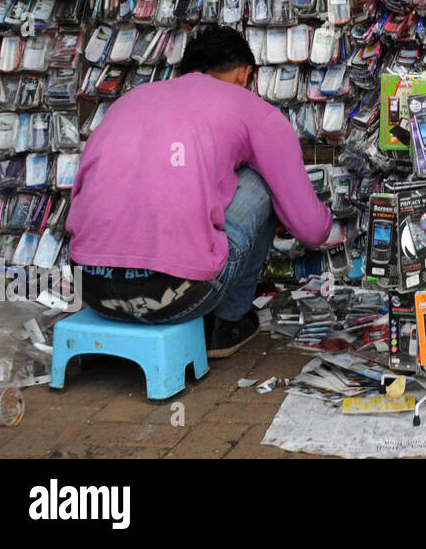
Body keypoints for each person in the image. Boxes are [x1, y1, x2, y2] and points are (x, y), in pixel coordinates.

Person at [67, 26, 332, 358]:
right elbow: (311, 229)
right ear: (244, 74)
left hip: (91, 288)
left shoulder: (128, 102)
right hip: (177, 297)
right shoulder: (255, 111)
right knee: (262, 179)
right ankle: (226, 324)